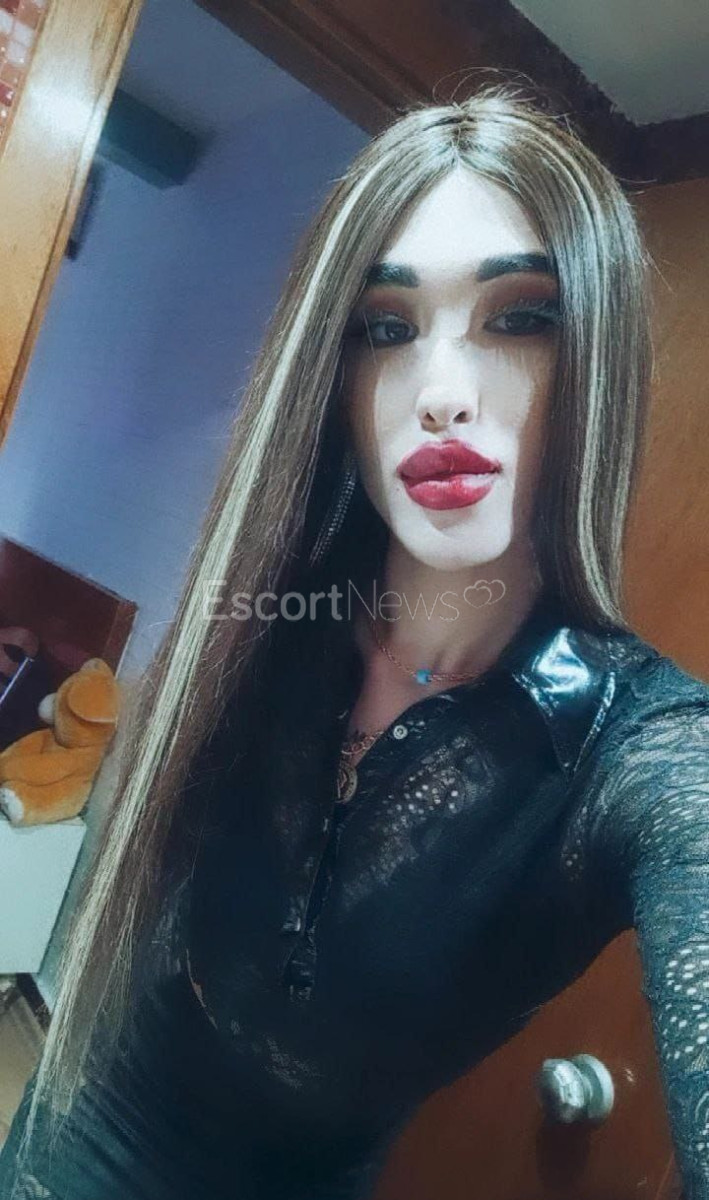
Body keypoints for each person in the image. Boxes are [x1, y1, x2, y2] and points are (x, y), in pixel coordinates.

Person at [1, 81, 708, 1200]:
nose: (440, 393)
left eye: (519, 317)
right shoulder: (266, 608)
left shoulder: (642, 755)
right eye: (386, 329)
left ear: (596, 358)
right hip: (87, 1118)